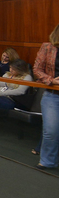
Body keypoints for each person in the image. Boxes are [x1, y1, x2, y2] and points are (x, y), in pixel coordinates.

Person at [33, 24, 59, 170]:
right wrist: (51, 80)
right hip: (52, 95)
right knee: (51, 131)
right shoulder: (47, 47)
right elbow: (37, 69)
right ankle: (48, 162)